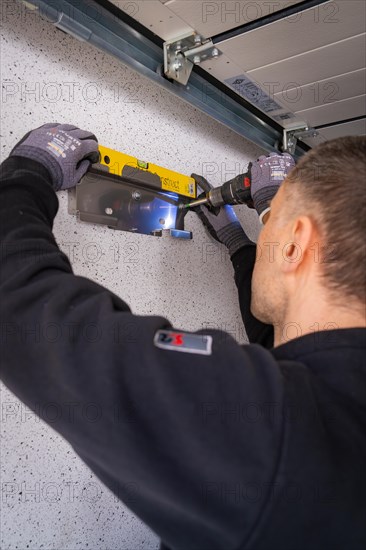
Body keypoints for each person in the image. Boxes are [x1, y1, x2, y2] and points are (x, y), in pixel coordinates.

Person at [0, 123, 365, 550]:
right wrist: (243, 242)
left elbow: (30, 315)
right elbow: (286, 340)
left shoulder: (269, 429)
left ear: (294, 246)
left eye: (274, 226)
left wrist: (27, 173)